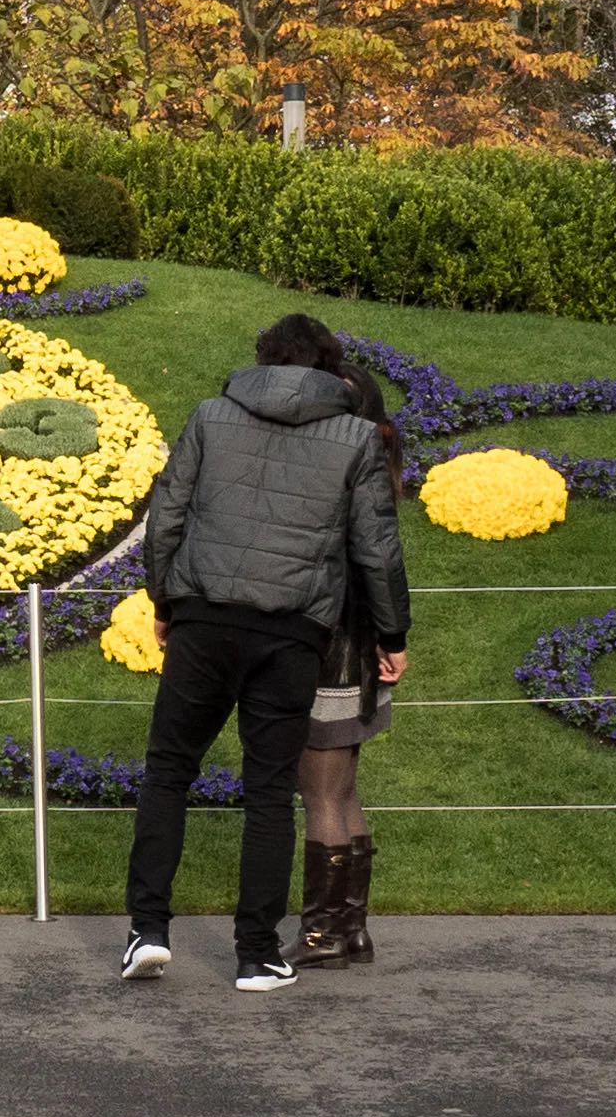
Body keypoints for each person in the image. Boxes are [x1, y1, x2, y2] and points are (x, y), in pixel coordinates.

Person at [120, 312, 410, 991]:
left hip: (202, 618)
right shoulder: (356, 437)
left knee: (167, 772)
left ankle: (147, 931)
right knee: (269, 792)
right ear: (327, 365)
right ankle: (256, 953)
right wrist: (391, 635)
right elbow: (376, 547)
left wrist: (164, 602)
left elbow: (165, 515)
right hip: (290, 632)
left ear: (263, 358)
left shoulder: (209, 414)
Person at [290, 325, 408, 969]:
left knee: (323, 796)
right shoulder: (376, 463)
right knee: (344, 791)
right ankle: (351, 927)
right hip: (362, 647)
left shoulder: (339, 464)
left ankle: (322, 932)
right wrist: (393, 639)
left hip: (331, 648)